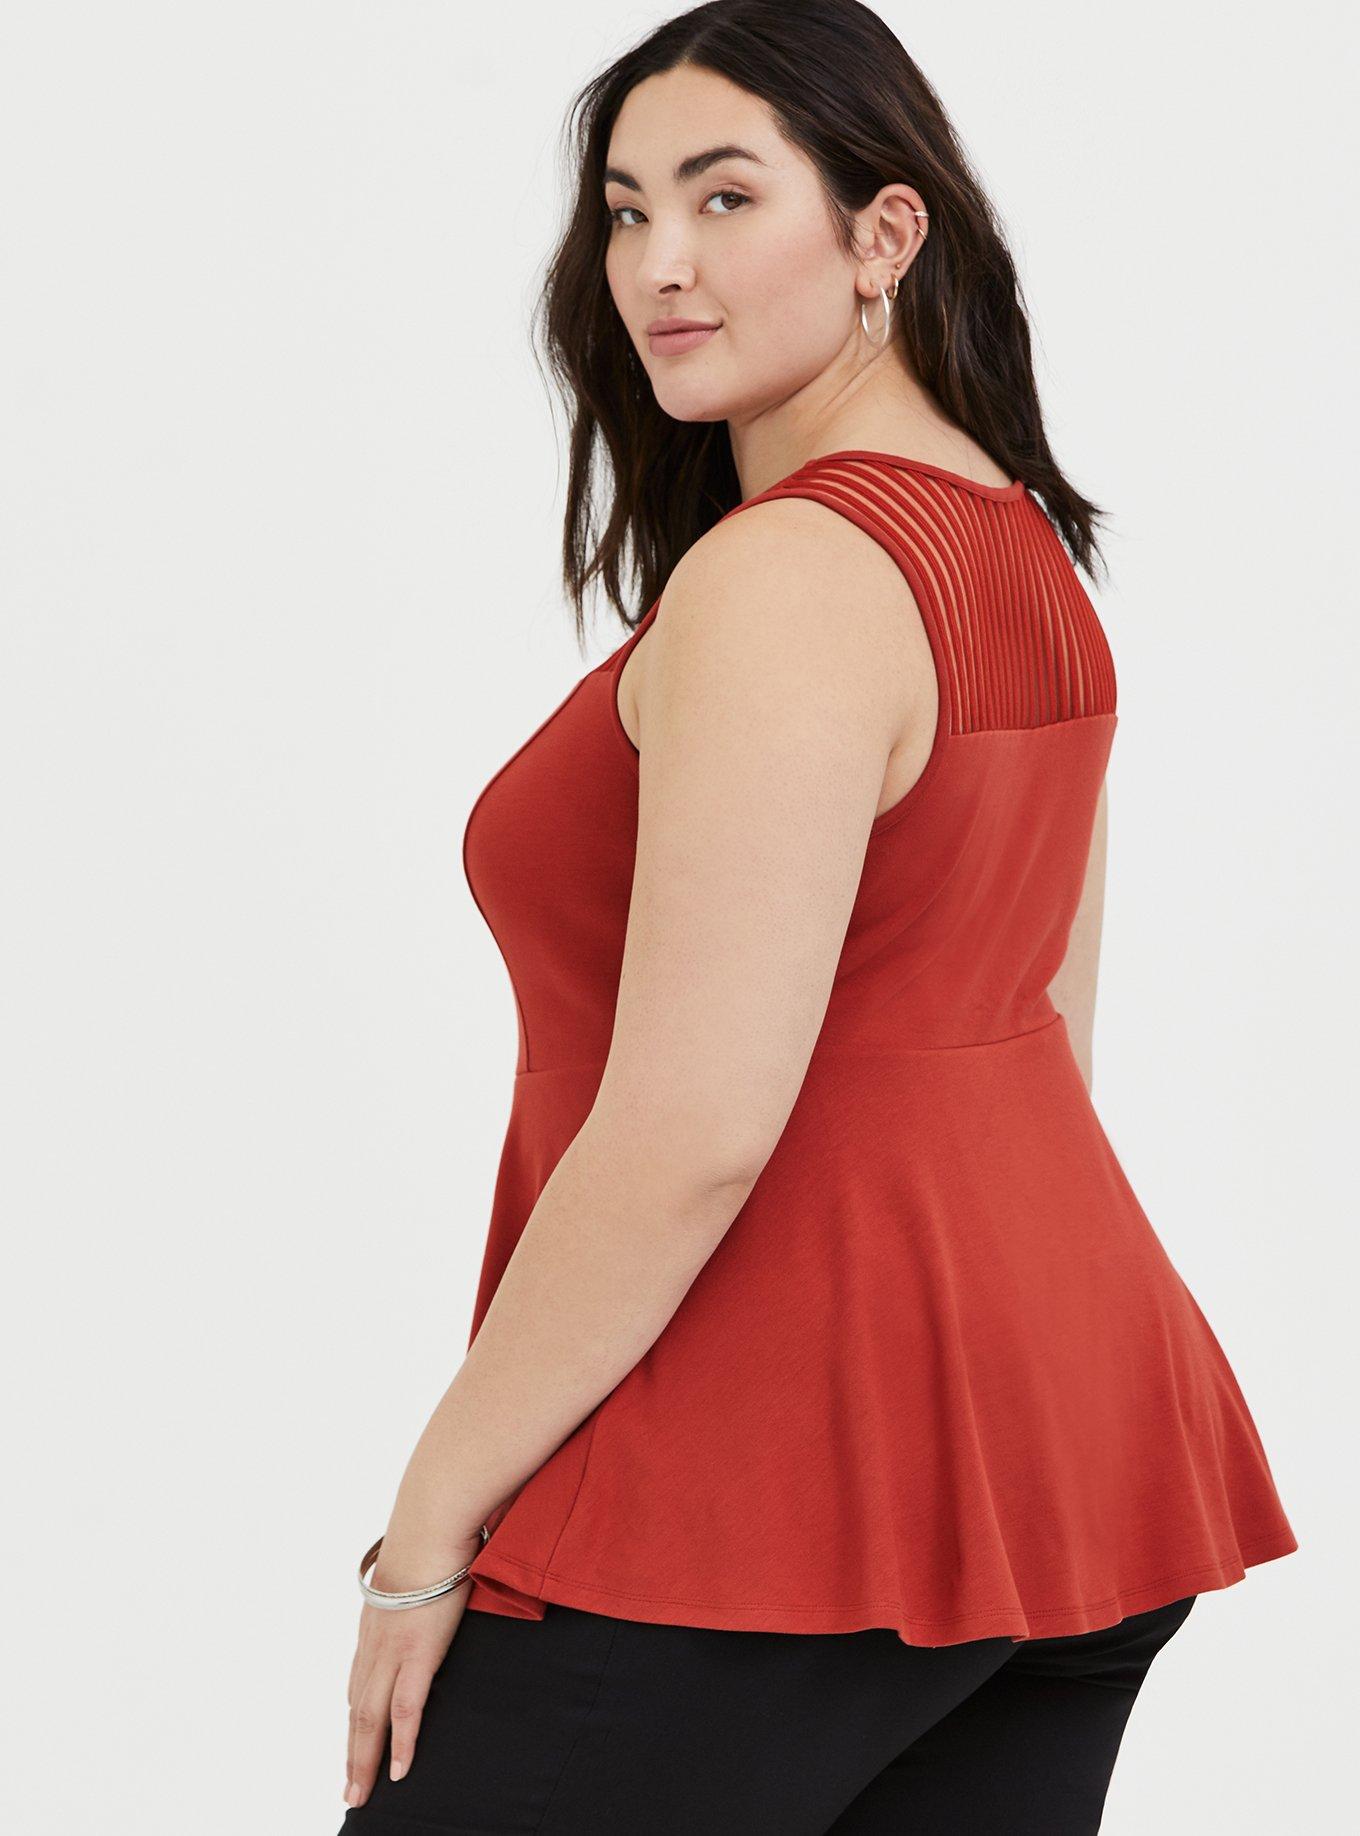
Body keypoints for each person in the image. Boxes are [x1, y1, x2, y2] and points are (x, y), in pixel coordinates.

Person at [338, 3, 1298, 1828]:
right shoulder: (1015, 544)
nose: (659, 264)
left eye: (725, 197)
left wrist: (428, 1522)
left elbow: (694, 1125)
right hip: (1070, 1440)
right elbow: (1047, 1030)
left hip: (781, 1469)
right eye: (627, 211)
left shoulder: (788, 581)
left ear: (882, 234)